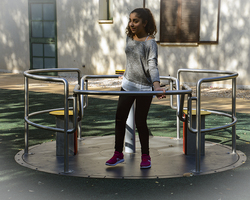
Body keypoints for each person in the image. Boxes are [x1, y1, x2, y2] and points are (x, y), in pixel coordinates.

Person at [105, 8, 165, 169]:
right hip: (128, 84)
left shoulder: (150, 42)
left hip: (144, 88)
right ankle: (118, 154)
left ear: (145, 23)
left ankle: (146, 156)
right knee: (119, 118)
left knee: (140, 122)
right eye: (130, 20)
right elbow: (131, 60)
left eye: (136, 21)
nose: (131, 24)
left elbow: (152, 65)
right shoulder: (129, 37)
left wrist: (157, 86)